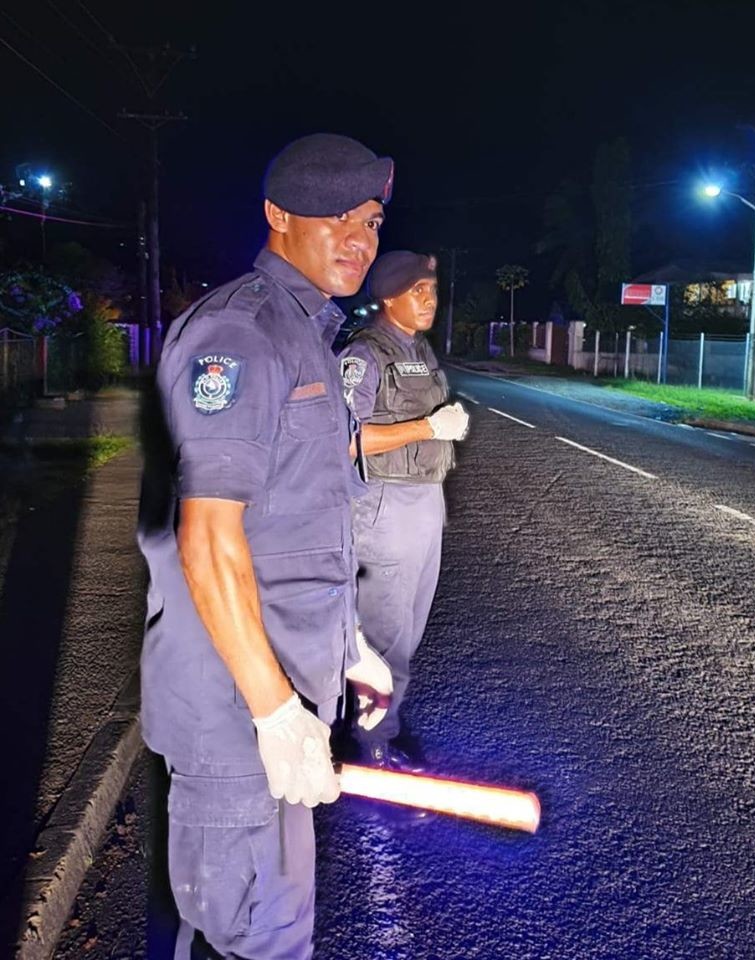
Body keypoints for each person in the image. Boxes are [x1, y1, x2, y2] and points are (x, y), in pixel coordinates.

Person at [137, 133, 396, 960]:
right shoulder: (241, 337)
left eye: (372, 218)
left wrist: (346, 642)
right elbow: (208, 538)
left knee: (237, 931)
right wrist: (277, 714)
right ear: (277, 216)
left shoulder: (306, 331)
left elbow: (295, 523)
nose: (358, 237)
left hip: (275, 693)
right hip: (237, 711)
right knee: (259, 939)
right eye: (333, 215)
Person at [337, 250, 469, 773]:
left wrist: (442, 427)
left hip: (424, 502)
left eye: (432, 290)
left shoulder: (419, 349)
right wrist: (426, 428)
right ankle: (370, 748)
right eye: (418, 291)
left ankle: (381, 724)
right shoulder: (364, 355)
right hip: (384, 507)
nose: (429, 300)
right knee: (384, 634)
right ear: (388, 296)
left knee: (408, 630)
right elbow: (344, 439)